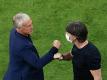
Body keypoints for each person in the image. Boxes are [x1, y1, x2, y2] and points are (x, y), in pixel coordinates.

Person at [3, 12, 61, 80]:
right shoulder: (23, 46)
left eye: (31, 24)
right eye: (28, 26)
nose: (32, 27)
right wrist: (54, 50)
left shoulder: (14, 31)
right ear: (19, 28)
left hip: (15, 73)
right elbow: (37, 63)